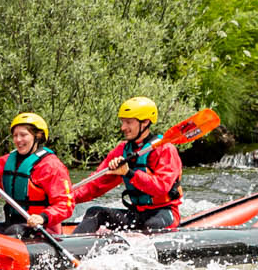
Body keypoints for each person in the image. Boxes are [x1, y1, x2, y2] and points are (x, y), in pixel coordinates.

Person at [72, 98, 182, 234]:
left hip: (163, 213)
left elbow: (161, 188)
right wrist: (64, 198)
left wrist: (129, 173)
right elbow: (95, 184)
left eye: (128, 122)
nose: (123, 127)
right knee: (95, 212)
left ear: (145, 122)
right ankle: (71, 248)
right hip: (136, 213)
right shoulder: (122, 150)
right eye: (123, 122)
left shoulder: (165, 149)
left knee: (151, 224)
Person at [0, 113, 72, 236]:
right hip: (11, 225)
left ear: (38, 136)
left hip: (43, 229)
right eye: (15, 136)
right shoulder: (3, 163)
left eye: (23, 135)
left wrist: (42, 217)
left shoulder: (51, 166)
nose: (18, 140)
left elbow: (65, 204)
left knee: (14, 232)